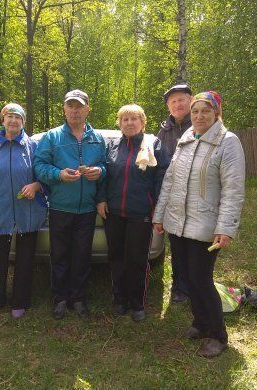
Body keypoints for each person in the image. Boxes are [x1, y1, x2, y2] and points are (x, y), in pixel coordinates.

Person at [153, 91, 245, 357]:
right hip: (178, 224)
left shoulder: (228, 142)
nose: (199, 116)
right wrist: (160, 215)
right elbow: (169, 181)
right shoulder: (186, 139)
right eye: (195, 111)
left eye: (205, 111)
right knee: (187, 278)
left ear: (217, 112)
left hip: (206, 225)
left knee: (201, 280)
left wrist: (226, 227)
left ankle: (218, 335)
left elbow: (233, 189)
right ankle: (201, 322)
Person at [34, 89, 106, 319]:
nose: (75, 110)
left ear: (87, 109)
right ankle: (60, 298)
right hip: (59, 208)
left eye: (79, 106)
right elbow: (39, 166)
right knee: (60, 255)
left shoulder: (97, 138)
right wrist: (59, 174)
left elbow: (106, 165)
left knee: (82, 256)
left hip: (86, 210)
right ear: (64, 109)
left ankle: (78, 298)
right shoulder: (52, 137)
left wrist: (99, 171)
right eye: (70, 106)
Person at [96, 104, 169, 322]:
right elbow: (103, 176)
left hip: (141, 212)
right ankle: (120, 300)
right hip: (114, 212)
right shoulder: (112, 146)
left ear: (142, 122)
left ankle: (137, 303)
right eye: (124, 119)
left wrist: (157, 206)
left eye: (133, 119)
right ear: (119, 123)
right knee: (116, 257)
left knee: (137, 259)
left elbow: (161, 178)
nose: (129, 123)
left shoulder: (153, 144)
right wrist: (100, 198)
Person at [0, 103, 47, 318]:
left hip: (29, 211)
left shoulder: (34, 146)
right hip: (0, 211)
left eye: (18, 117)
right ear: (2, 120)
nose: (13, 121)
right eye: (9, 116)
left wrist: (36, 186)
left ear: (23, 122)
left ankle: (20, 301)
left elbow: (45, 175)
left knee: (25, 258)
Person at [157, 84, 193, 303]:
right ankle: (179, 287)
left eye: (181, 100)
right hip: (173, 197)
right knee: (177, 244)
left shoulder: (201, 124)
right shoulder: (164, 131)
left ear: (190, 100)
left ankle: (197, 285)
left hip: (197, 197)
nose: (178, 104)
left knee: (197, 245)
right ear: (169, 107)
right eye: (173, 102)